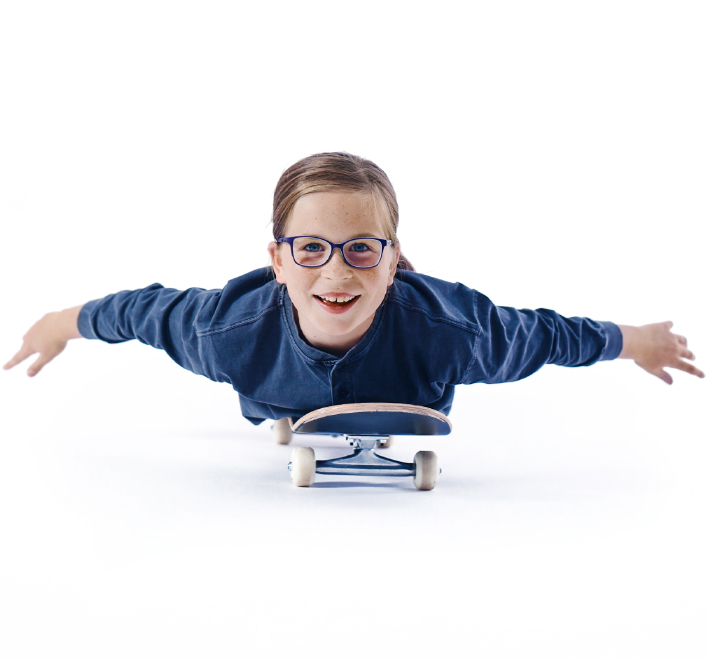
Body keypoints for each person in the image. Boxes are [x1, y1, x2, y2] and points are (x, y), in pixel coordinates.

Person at [3, 152, 704, 426]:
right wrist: (60, 323)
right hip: (277, 401)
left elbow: (541, 334)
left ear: (394, 259)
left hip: (411, 378)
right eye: (311, 250)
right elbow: (144, 313)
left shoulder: (454, 334)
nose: (336, 272)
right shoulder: (226, 333)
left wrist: (631, 341)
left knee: (462, 324)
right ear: (276, 262)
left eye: (361, 250)